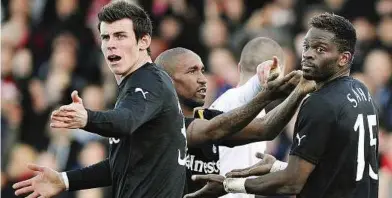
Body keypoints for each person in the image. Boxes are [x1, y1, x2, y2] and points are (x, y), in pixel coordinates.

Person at [184, 13, 380, 198]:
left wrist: (228, 185)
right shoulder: (361, 91)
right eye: (306, 46)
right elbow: (336, 168)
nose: (308, 54)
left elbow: (292, 182)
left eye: (320, 49)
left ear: (344, 58)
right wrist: (277, 167)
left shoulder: (320, 102)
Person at [13, 1, 187, 198]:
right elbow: (122, 164)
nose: (111, 44)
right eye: (106, 37)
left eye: (120, 36)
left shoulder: (149, 81)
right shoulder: (136, 85)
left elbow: (125, 121)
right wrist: (65, 180)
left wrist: (87, 118)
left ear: (144, 41)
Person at [154, 47, 316, 194]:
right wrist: (266, 94)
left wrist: (299, 91)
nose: (203, 79)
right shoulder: (158, 123)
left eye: (202, 71)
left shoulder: (206, 117)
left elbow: (265, 128)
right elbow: (214, 130)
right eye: (192, 71)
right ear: (167, 80)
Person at [208, 37, 286, 198]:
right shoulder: (237, 101)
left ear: (238, 67)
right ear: (279, 71)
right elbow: (251, 92)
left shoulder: (227, 102)